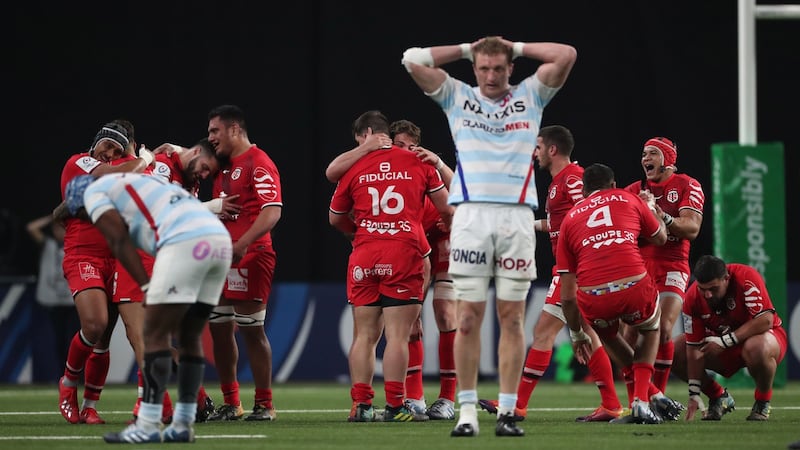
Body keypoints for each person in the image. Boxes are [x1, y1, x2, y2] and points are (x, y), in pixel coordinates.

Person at [402, 35, 577, 437]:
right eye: (484, 68)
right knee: (467, 319)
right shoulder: (457, 97)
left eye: (499, 67)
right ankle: (466, 414)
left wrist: (515, 45)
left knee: (512, 317)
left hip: (515, 218)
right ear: (475, 68)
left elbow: (566, 54)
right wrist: (467, 49)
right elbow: (411, 59)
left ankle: (508, 413)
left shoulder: (531, 95)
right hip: (471, 217)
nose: (492, 76)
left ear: (511, 68)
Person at [62, 172, 232, 443]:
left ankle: (149, 423)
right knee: (189, 337)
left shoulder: (94, 192)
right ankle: (183, 424)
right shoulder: (140, 183)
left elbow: (119, 241)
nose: (92, 221)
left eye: (86, 216)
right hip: (218, 241)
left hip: (184, 242)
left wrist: (144, 286)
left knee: (152, 336)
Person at [478, 125, 622, 422]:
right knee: (589, 336)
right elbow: (562, 223)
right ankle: (611, 403)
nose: (536, 152)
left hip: (576, 268)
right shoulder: (560, 182)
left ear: (552, 149)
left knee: (543, 332)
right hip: (574, 267)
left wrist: (583, 263)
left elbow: (589, 216)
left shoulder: (572, 179)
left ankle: (518, 404)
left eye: (539, 146)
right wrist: (528, 225)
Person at [326, 119, 458, 420]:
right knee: (403, 332)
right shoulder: (410, 166)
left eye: (412, 147)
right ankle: (402, 403)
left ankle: (364, 405)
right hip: (407, 249)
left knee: (371, 333)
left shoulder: (362, 167)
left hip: (405, 246)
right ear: (385, 140)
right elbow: (449, 206)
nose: (407, 151)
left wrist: (359, 232)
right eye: (400, 145)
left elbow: (335, 216)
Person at [557, 163, 683, 425]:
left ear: (583, 190)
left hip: (593, 297)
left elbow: (567, 297)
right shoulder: (629, 198)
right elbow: (660, 238)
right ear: (613, 185)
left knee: (609, 335)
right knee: (651, 329)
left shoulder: (570, 218)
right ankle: (641, 400)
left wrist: (577, 334)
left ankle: (653, 394)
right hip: (632, 285)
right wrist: (649, 207)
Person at [56, 121, 154, 425]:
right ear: (95, 143)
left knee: (104, 338)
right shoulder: (80, 161)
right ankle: (69, 382)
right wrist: (146, 159)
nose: (108, 153)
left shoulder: (123, 170)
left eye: (115, 149)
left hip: (116, 258)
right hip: (84, 254)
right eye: (105, 145)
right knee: (95, 323)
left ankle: (89, 406)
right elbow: (115, 175)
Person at [206, 104, 282, 421]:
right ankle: (231, 402)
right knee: (218, 329)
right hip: (221, 257)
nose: (210, 137)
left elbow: (272, 211)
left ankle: (264, 404)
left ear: (235, 129)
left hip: (250, 256)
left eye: (215, 131)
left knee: (252, 330)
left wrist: (243, 243)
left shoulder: (258, 162)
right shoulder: (222, 167)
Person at [622, 137, 705, 398]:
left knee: (664, 328)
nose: (646, 159)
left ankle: (658, 399)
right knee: (628, 337)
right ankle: (644, 397)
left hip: (672, 264)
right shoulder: (633, 190)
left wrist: (661, 215)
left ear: (668, 160)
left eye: (653, 154)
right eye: (644, 154)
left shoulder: (687, 185)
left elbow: (691, 228)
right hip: (639, 266)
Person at [671, 255, 787, 422]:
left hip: (760, 338)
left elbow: (765, 320)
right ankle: (718, 397)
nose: (708, 295)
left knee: (757, 347)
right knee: (675, 350)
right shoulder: (692, 298)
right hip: (722, 344)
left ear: (726, 279)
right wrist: (694, 392)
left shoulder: (746, 277)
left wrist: (727, 341)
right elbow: (693, 349)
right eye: (702, 289)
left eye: (713, 288)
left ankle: (762, 401)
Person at [26, 214, 79, 378]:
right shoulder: (47, 244)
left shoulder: (76, 246)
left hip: (73, 300)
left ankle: (78, 375)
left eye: (62, 228)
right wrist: (52, 217)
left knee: (76, 341)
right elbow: (31, 228)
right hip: (54, 301)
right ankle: (62, 375)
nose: (59, 232)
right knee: (59, 341)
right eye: (56, 229)